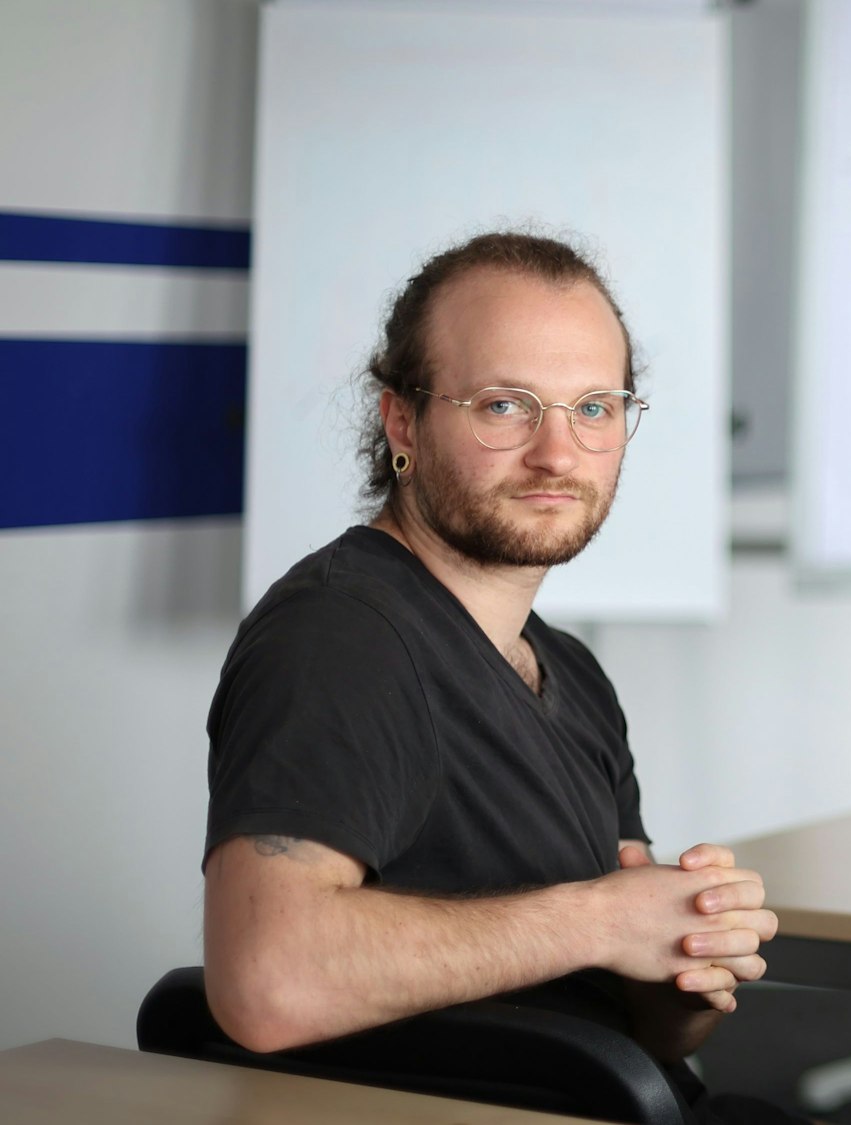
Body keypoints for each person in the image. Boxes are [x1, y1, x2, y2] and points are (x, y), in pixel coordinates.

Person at [202, 231, 801, 1122]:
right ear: (402, 420)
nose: (559, 454)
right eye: (505, 406)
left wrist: (681, 951)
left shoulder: (571, 673)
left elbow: (645, 1032)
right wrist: (601, 918)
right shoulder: (338, 640)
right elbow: (266, 978)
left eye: (594, 407)